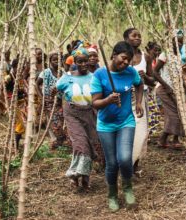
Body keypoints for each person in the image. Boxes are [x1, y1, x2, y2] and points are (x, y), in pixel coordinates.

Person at [91, 41, 144, 211]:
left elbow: (140, 84)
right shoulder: (100, 74)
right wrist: (108, 100)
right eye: (123, 58)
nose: (126, 63)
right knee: (112, 163)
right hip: (106, 125)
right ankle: (112, 194)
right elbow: (95, 103)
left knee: (125, 158)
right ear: (114, 55)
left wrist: (139, 103)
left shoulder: (130, 72)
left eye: (129, 60)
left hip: (126, 121)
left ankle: (128, 188)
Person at [57, 47, 99, 190]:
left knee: (90, 144)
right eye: (79, 62)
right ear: (74, 62)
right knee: (81, 145)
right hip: (73, 114)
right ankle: (76, 176)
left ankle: (83, 177)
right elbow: (58, 90)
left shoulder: (94, 77)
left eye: (85, 61)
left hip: (89, 113)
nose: (83, 64)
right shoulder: (67, 78)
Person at [123, 27, 158, 170]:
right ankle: (124, 162)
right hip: (124, 97)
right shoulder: (121, 56)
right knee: (126, 130)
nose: (137, 38)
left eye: (139, 36)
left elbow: (153, 81)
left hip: (141, 98)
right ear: (126, 39)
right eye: (134, 36)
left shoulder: (146, 57)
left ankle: (134, 163)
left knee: (141, 132)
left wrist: (145, 77)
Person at [153, 30, 185, 148]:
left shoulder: (179, 56)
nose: (179, 44)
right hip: (164, 89)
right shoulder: (165, 55)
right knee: (174, 114)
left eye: (181, 42)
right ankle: (172, 140)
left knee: (180, 113)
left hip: (176, 90)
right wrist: (166, 86)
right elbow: (154, 72)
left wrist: (185, 89)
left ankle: (165, 140)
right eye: (176, 42)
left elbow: (179, 75)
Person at [36, 52, 69, 149]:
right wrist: (42, 97)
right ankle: (57, 142)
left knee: (61, 120)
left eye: (59, 60)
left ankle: (59, 141)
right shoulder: (46, 72)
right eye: (54, 60)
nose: (57, 62)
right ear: (50, 61)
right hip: (48, 101)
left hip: (59, 101)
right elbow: (37, 84)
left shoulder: (63, 73)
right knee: (55, 122)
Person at [5, 58, 29, 148]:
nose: (21, 70)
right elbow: (4, 91)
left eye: (22, 68)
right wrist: (9, 102)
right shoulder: (8, 78)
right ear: (14, 67)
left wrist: (26, 95)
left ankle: (16, 144)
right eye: (19, 68)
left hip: (22, 102)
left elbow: (23, 89)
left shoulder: (20, 77)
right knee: (20, 124)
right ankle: (15, 147)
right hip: (13, 103)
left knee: (23, 123)